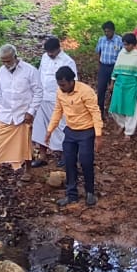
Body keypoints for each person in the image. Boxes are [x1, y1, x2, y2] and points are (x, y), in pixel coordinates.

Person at [44, 66, 104, 207]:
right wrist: (49, 130)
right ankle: (71, 195)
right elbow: (57, 111)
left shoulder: (86, 91)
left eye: (64, 85)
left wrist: (98, 136)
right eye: (59, 85)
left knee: (86, 162)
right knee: (69, 162)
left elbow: (96, 113)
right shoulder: (60, 92)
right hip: (70, 131)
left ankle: (90, 192)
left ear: (72, 81)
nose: (62, 88)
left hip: (86, 132)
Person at [0, 44, 40, 184]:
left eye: (8, 60)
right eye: (3, 61)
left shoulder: (29, 70)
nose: (5, 64)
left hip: (23, 115)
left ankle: (28, 170)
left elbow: (38, 92)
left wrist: (31, 111)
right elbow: (0, 93)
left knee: (25, 144)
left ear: (15, 57)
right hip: (5, 114)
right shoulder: (1, 71)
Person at [31, 36, 76, 167]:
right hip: (42, 98)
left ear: (58, 49)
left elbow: (73, 82)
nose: (50, 54)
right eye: (48, 52)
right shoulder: (45, 57)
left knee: (60, 127)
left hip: (58, 100)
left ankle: (64, 155)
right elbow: (40, 74)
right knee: (41, 127)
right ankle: (42, 156)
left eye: (52, 52)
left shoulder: (68, 61)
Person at [108, 33, 137, 138]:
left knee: (131, 109)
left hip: (131, 85)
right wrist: (112, 83)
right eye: (124, 45)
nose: (125, 47)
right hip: (119, 84)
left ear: (133, 45)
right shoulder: (121, 53)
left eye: (127, 45)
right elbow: (116, 69)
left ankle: (129, 132)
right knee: (114, 108)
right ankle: (122, 124)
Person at [94, 21, 122, 111]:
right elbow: (99, 52)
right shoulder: (101, 39)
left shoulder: (119, 40)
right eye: (105, 31)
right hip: (103, 67)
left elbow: (122, 55)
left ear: (113, 31)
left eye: (108, 31)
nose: (107, 33)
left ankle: (114, 110)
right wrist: (99, 64)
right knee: (101, 89)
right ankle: (100, 111)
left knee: (114, 89)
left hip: (114, 67)